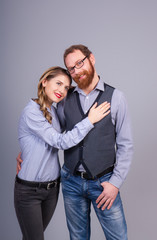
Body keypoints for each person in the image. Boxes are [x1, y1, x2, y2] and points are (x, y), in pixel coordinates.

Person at [14, 66, 111, 240]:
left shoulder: (53, 110)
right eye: (58, 83)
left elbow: (43, 139)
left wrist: (26, 152)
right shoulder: (31, 111)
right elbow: (60, 141)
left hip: (51, 189)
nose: (62, 90)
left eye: (66, 87)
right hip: (29, 191)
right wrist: (90, 120)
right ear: (44, 82)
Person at [56, 44, 133, 240]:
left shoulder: (116, 98)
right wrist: (28, 153)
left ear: (92, 58)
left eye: (79, 63)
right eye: (71, 68)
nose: (76, 71)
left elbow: (125, 146)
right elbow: (54, 136)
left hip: (103, 183)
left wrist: (115, 184)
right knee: (77, 238)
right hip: (71, 182)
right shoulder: (65, 100)